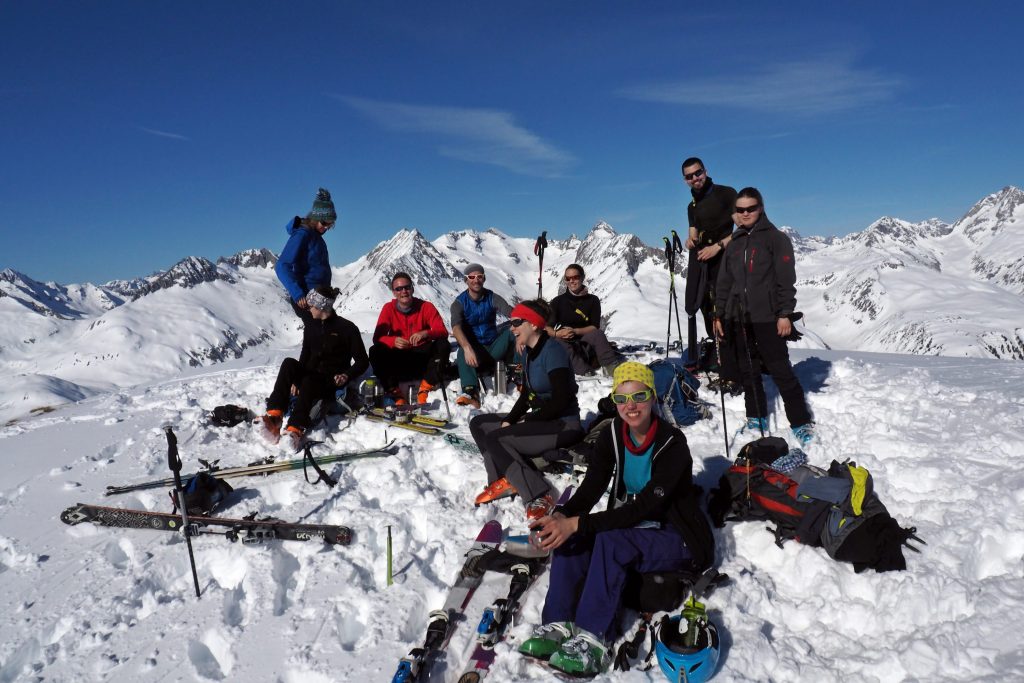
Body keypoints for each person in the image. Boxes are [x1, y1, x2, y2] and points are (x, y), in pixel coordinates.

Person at [518, 361, 715, 677]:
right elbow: (592, 486)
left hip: (678, 537)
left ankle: (594, 640)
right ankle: (558, 624)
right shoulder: (612, 433)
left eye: (638, 396)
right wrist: (562, 517)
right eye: (621, 399)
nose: (630, 406)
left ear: (652, 397)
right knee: (573, 534)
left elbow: (648, 506)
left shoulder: (672, 443)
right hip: (638, 528)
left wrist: (579, 522)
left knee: (608, 538)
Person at [713, 187, 815, 445]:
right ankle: (756, 416)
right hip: (738, 317)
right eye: (740, 209)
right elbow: (724, 282)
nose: (745, 213)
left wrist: (784, 314)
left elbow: (785, 279)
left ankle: (800, 421)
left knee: (781, 370)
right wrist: (719, 315)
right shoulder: (734, 243)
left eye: (751, 208)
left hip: (768, 317)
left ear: (761, 208)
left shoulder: (775, 239)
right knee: (748, 372)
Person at [468, 299, 584, 520]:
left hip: (563, 424)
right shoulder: (529, 352)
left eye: (516, 322)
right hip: (541, 420)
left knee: (497, 439)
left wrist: (529, 421)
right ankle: (503, 479)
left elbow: (562, 399)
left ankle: (538, 494)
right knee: (480, 424)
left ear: (533, 324)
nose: (512, 327)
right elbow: (527, 394)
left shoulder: (553, 351)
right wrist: (511, 420)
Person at [258, 286, 368, 450]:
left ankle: (295, 430)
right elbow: (306, 352)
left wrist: (346, 375)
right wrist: (296, 379)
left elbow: (362, 361)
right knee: (289, 363)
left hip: (331, 381)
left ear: (322, 307)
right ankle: (274, 418)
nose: (308, 309)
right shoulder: (311, 325)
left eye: (311, 306)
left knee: (309, 381)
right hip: (311, 374)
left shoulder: (347, 329)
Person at [682, 158, 740, 389]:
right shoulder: (692, 206)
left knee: (724, 313)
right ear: (685, 180)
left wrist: (718, 246)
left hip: (725, 262)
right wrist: (690, 241)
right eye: (689, 176)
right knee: (707, 310)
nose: (695, 178)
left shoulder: (726, 194)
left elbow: (743, 228)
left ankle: (732, 371)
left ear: (705, 171)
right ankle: (720, 362)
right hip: (704, 264)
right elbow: (693, 234)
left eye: (698, 173)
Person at [368, 272, 450, 405]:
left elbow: (442, 331)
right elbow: (378, 337)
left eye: (406, 287)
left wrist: (426, 333)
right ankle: (395, 392)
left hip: (422, 359)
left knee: (443, 344)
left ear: (412, 288)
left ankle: (425, 388)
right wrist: (393, 341)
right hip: (399, 360)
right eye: (398, 289)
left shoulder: (426, 307)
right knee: (375, 351)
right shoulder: (388, 309)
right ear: (394, 292)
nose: (403, 291)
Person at [450, 263, 516, 408]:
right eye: (471, 277)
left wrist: (519, 323)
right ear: (466, 280)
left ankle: (519, 376)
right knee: (462, 350)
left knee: (514, 332)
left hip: (494, 347)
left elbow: (510, 311)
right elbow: (455, 326)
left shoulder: (492, 297)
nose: (476, 280)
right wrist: (467, 348)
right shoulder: (459, 303)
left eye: (479, 276)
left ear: (484, 278)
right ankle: (471, 392)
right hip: (474, 352)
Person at [546, 264, 624, 376]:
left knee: (598, 334)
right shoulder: (558, 301)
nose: (571, 281)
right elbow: (546, 327)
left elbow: (594, 326)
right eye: (568, 278)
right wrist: (557, 333)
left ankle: (610, 366)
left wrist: (575, 331)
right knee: (557, 342)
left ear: (582, 277)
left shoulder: (593, 300)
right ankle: (584, 371)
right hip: (564, 341)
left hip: (586, 341)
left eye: (575, 277)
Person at [275, 188, 337, 324]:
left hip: (321, 298)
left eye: (330, 224)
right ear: (315, 218)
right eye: (324, 222)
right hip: (308, 299)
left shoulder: (317, 237)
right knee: (323, 337)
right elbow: (281, 266)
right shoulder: (303, 234)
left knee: (340, 333)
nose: (326, 227)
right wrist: (297, 294)